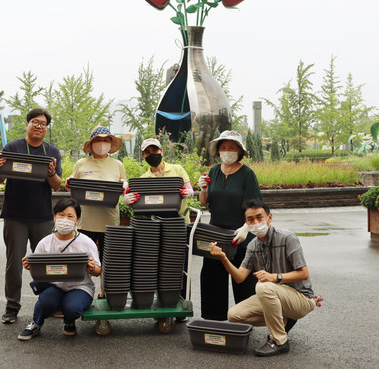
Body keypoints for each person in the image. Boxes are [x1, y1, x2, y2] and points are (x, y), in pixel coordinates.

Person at [210, 199, 322, 357]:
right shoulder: (252, 245)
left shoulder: (287, 238)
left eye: (259, 217)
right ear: (246, 223)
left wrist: (274, 277)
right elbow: (240, 277)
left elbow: (303, 273)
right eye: (250, 220)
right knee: (234, 315)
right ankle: (285, 320)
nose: (256, 223)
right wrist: (223, 258)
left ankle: (279, 341)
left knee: (263, 286)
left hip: (300, 297)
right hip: (275, 296)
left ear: (270, 217)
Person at [0, 108, 62, 324]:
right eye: (35, 122)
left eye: (43, 124)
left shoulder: (52, 151)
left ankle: (50, 303)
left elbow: (57, 185)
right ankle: (12, 306)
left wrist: (51, 173)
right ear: (27, 124)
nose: (39, 126)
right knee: (14, 264)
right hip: (15, 216)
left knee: (45, 263)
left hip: (43, 216)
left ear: (46, 128)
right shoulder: (13, 147)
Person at [198, 130, 261, 320]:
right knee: (212, 278)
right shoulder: (214, 171)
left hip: (240, 236)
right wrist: (203, 189)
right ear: (218, 151)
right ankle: (214, 319)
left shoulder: (247, 174)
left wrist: (246, 228)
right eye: (223, 147)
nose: (227, 151)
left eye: (232, 147)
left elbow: (255, 207)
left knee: (243, 282)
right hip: (216, 235)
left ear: (240, 151)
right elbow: (204, 203)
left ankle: (245, 320)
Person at [18, 198, 101, 340]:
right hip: (54, 286)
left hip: (80, 287)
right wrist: (30, 267)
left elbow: (98, 271)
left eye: (70, 216)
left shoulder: (86, 242)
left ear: (77, 220)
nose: (65, 220)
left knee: (72, 307)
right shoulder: (45, 243)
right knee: (45, 303)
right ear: (54, 217)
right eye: (61, 215)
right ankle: (36, 324)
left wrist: (92, 268)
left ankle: (69, 321)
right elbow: (38, 274)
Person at [68, 126, 127, 260]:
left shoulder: (118, 164)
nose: (102, 143)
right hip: (86, 221)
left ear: (110, 143)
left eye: (106, 140)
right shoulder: (80, 164)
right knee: (84, 261)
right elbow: (73, 187)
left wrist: (124, 186)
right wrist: (69, 183)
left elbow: (124, 184)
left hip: (109, 221)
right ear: (91, 143)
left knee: (108, 261)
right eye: (98, 140)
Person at [123, 138, 193, 221]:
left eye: (154, 150)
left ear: (161, 151)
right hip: (157, 223)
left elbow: (190, 191)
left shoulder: (178, 169)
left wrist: (188, 193)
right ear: (143, 155)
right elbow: (140, 203)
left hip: (181, 221)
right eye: (147, 152)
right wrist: (129, 202)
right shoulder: (143, 179)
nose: (152, 154)